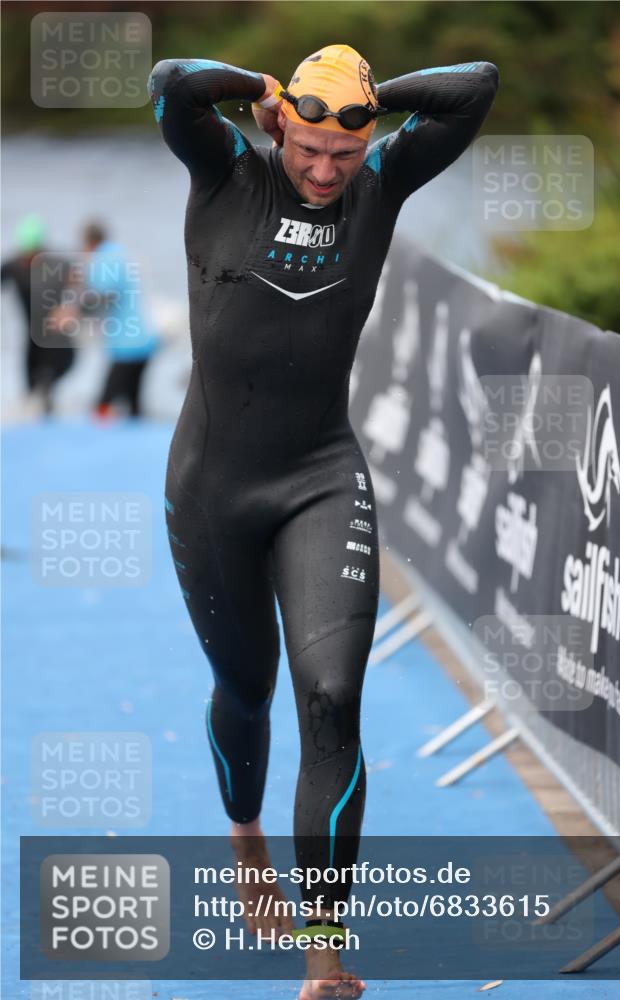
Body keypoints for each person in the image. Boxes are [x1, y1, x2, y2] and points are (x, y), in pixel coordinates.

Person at [148, 43, 498, 999]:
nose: (323, 169)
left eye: (343, 153)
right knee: (245, 687)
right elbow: (173, 85)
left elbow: (474, 88)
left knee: (332, 700)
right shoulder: (227, 171)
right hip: (213, 486)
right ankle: (245, 837)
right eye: (307, 149)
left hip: (319, 478)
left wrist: (366, 102)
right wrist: (265, 90)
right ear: (278, 131)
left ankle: (324, 954)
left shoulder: (381, 183)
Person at [47, 221, 160, 418]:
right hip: (143, 340)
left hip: (128, 347)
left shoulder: (103, 259)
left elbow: (105, 295)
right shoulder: (117, 254)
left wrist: (71, 312)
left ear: (88, 242)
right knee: (133, 407)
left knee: (103, 407)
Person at [1, 214, 75, 414]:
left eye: (34, 253)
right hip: (32, 335)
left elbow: (81, 282)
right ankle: (38, 415)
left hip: (56, 335)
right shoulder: (14, 266)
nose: (29, 258)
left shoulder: (55, 264)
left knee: (50, 379)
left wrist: (70, 307)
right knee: (31, 387)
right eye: (26, 253)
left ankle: (48, 411)